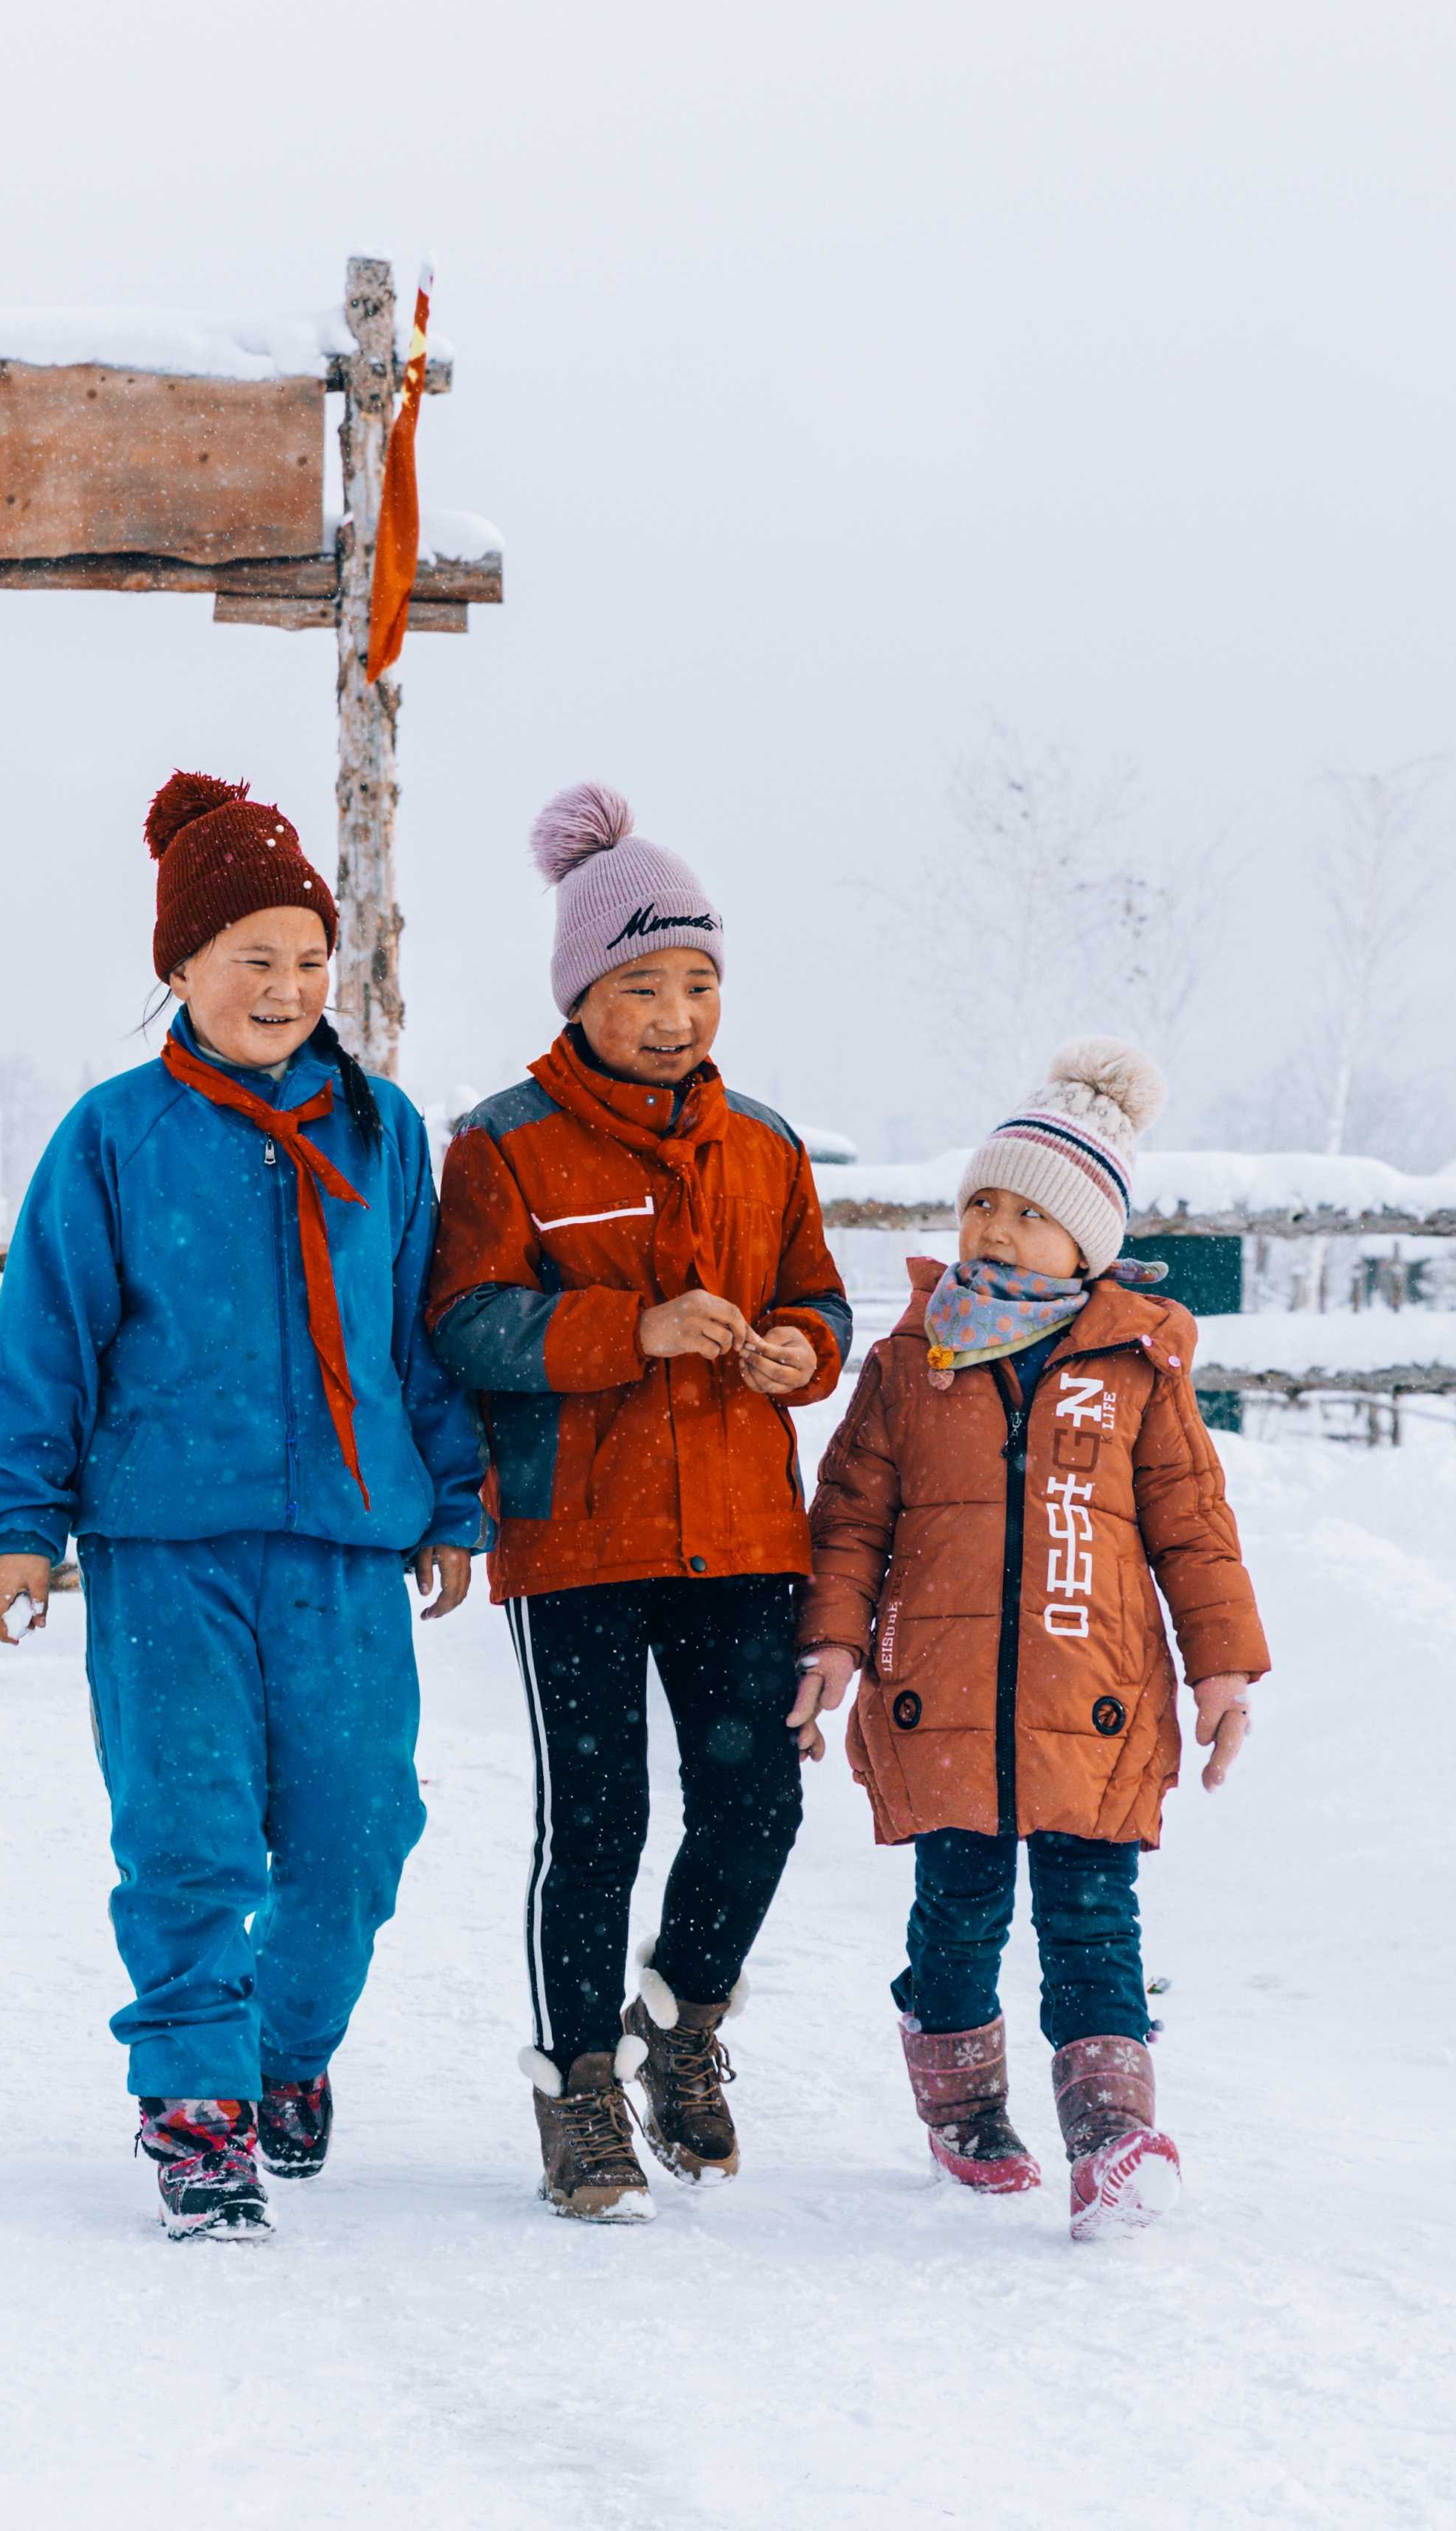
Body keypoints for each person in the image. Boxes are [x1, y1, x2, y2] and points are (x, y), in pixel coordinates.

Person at [0, 772, 489, 2244]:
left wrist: (453, 1500)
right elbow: (48, 1340)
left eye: (309, 959)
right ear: (182, 967)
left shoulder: (385, 1132)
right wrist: (21, 1524)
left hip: (346, 1545)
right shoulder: (114, 1138)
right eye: (254, 957)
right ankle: (197, 2105)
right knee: (190, 1832)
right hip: (165, 1544)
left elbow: (420, 1333)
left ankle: (281, 2055)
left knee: (361, 1834)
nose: (287, 987)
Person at [425, 783, 851, 2223]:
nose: (677, 1016)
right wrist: (633, 1330)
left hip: (742, 1536)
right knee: (598, 1823)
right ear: (581, 993)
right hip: (580, 1543)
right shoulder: (504, 1145)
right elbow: (465, 1325)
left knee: (759, 1803)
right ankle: (579, 2086)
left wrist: (802, 1352)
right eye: (643, 988)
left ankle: (682, 2015)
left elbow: (820, 1301)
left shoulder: (768, 1147)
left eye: (699, 984)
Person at [791, 1037, 1270, 2242]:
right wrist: (833, 1645)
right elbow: (851, 1516)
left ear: (1089, 1243)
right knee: (958, 1918)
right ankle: (963, 2110)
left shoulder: (1137, 1369)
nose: (996, 1229)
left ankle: (1113, 2144)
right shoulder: (913, 1361)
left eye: (1029, 1213)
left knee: (1094, 1924)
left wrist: (1220, 1673)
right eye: (981, 1205)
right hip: (940, 1698)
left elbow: (1195, 1531)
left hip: (1095, 1704)